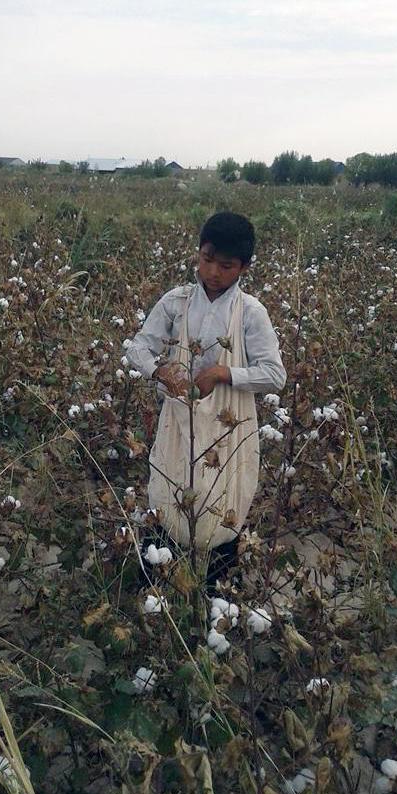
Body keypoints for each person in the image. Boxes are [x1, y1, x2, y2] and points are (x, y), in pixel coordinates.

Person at [127, 211, 286, 587]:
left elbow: (275, 374)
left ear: (244, 268)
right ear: (198, 254)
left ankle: (218, 597)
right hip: (178, 419)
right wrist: (160, 371)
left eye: (226, 265)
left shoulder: (250, 313)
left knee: (223, 502)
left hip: (229, 427)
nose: (213, 271)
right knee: (167, 494)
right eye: (206, 260)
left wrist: (223, 373)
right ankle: (153, 591)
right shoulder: (176, 302)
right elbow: (138, 349)